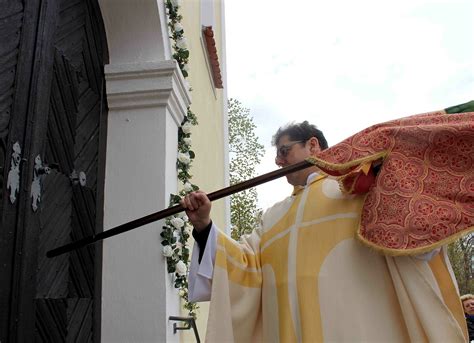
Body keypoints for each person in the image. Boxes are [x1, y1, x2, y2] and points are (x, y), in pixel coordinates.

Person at [182, 121, 468, 342]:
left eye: (284, 151)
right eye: (277, 155)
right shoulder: (272, 217)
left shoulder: (356, 190)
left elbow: (410, 234)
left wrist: (390, 180)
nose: (278, 162)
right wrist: (204, 226)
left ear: (313, 145)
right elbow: (243, 267)